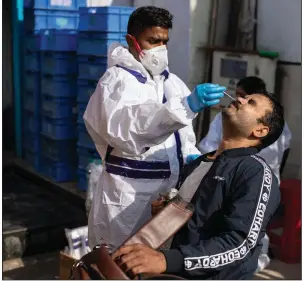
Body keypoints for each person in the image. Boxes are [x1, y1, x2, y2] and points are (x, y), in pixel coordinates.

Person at [83, 6, 225, 250]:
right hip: (128, 198)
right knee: (120, 265)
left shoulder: (172, 82)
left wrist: (191, 156)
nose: (161, 48)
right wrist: (186, 106)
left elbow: (183, 135)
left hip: (167, 197)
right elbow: (127, 130)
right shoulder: (116, 81)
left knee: (157, 265)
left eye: (165, 42)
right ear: (132, 40)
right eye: (153, 41)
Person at [112, 92, 284, 280]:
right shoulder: (200, 162)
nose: (240, 99)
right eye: (243, 96)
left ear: (260, 130)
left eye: (251, 102)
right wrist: (164, 214)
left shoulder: (254, 172)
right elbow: (195, 222)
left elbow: (240, 243)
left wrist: (167, 260)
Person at [198, 76, 292, 184]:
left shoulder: (254, 176)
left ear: (261, 131)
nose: (237, 99)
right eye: (240, 96)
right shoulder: (205, 166)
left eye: (250, 102)